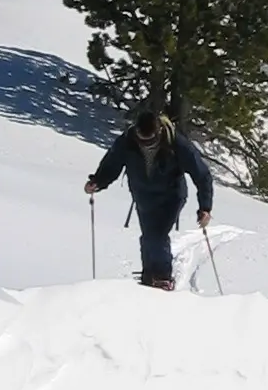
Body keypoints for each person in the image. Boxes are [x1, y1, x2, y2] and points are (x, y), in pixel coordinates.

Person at [83, 110, 214, 290]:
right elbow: (112, 164)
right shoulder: (127, 141)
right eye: (141, 140)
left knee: (157, 235)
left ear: (159, 131)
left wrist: (205, 207)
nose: (145, 144)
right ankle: (148, 275)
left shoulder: (175, 142)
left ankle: (162, 277)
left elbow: (202, 174)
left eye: (150, 140)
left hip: (171, 196)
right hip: (143, 195)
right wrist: (98, 181)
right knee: (148, 236)